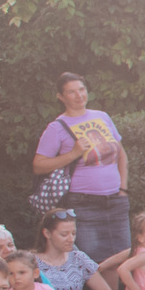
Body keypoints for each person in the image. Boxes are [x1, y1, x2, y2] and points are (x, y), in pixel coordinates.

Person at [32, 73, 130, 260]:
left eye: (82, 89)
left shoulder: (102, 117)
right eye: (71, 92)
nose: (79, 95)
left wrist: (123, 189)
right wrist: (73, 154)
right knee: (92, 262)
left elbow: (121, 154)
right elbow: (38, 166)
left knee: (120, 257)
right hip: (83, 204)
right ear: (61, 97)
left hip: (116, 200)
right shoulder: (57, 127)